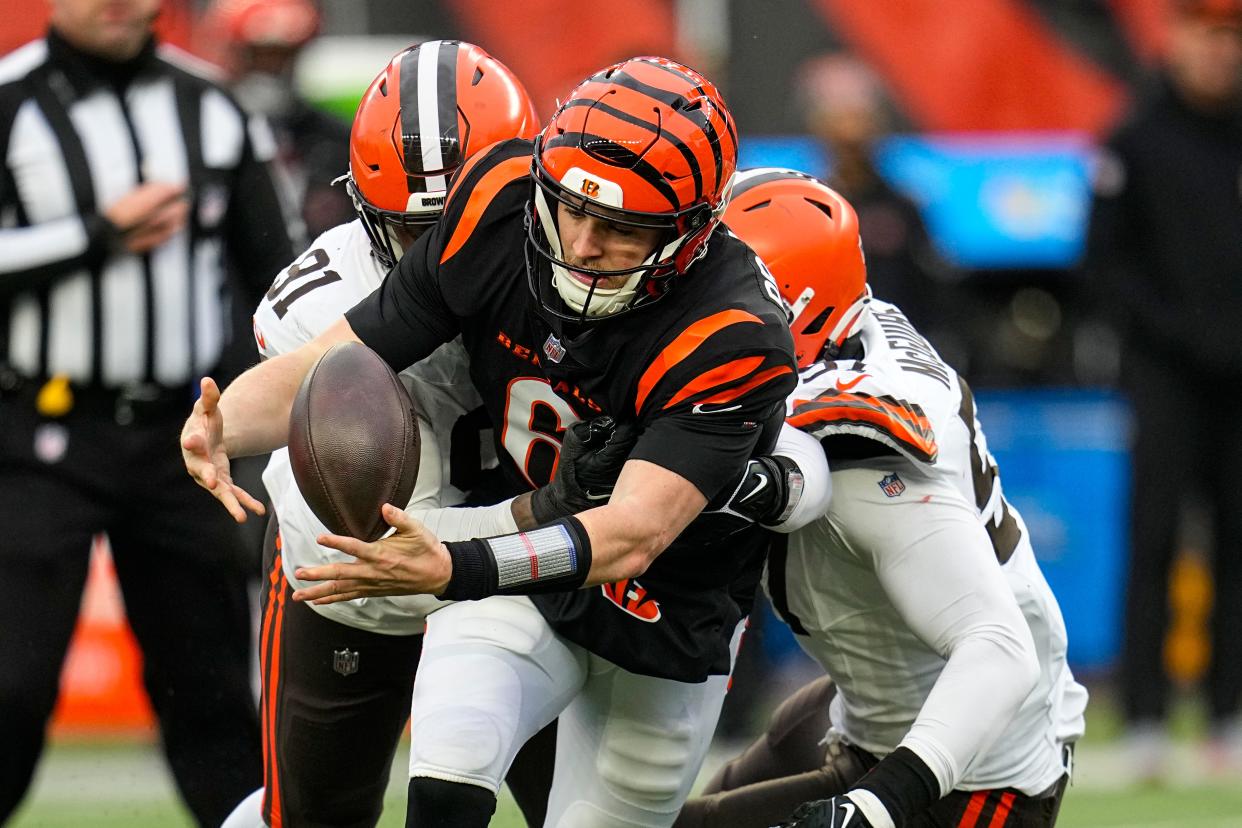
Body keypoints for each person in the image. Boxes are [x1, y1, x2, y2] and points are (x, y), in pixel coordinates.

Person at [183, 57, 818, 827]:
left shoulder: (732, 335)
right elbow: (329, 366)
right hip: (474, 569)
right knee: (418, 786)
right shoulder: (497, 208)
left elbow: (629, 537)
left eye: (621, 228)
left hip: (652, 604)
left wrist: (461, 561)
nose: (580, 244)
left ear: (691, 231)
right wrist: (225, 423)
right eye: (569, 208)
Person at [673, 170, 1085, 828]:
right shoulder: (841, 333)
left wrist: (872, 808)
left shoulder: (862, 448)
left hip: (979, 763)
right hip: (872, 707)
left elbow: (999, 651)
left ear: (786, 308)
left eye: (715, 294)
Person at [219, 39, 560, 828]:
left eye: (476, 220)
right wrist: (562, 514)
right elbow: (390, 532)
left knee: (589, 811)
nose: (452, 254)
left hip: (514, 584)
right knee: (310, 815)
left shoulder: (579, 270)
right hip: (350, 586)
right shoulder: (320, 297)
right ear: (366, 211)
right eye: (420, 233)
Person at [0, 0, 293, 824]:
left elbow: (280, 275)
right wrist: (92, 235)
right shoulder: (10, 99)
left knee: (212, 696)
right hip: (36, 437)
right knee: (9, 688)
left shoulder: (212, 106)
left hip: (184, 442)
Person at [1085, 0, 1242, 777]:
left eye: (1232, 37)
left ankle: (1229, 712)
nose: (1221, 53)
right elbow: (1106, 265)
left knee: (1238, 544)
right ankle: (1145, 715)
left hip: (1240, 380)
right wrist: (1182, 336)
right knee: (1152, 539)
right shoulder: (1136, 138)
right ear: (1177, 38)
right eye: (1209, 35)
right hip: (1166, 377)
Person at [201, 0, 353, 245]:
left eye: (283, 57)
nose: (271, 70)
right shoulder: (206, 132)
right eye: (258, 56)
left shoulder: (336, 138)